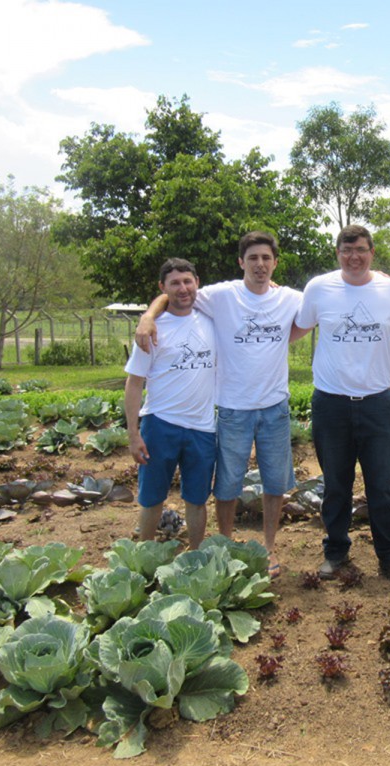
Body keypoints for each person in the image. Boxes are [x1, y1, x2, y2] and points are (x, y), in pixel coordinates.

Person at [136, 232, 307, 577]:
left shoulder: (290, 298)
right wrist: (148, 316)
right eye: (253, 258)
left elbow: (328, 302)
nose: (260, 264)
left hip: (275, 407)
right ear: (241, 262)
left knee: (275, 484)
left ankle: (269, 548)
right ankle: (226, 545)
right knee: (227, 485)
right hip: (232, 408)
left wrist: (374, 276)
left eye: (266, 258)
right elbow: (174, 292)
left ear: (275, 262)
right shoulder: (221, 295)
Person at [294, 224, 390, 580]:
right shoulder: (318, 288)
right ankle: (335, 552)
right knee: (335, 484)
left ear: (372, 253)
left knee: (382, 485)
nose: (354, 257)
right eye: (347, 250)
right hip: (331, 403)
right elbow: (297, 327)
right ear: (338, 253)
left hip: (378, 404)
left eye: (361, 250)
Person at [125, 258, 216, 550]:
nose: (183, 288)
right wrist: (133, 434)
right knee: (152, 498)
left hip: (202, 427)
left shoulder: (212, 320)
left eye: (187, 281)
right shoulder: (152, 330)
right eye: (174, 283)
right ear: (162, 288)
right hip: (160, 424)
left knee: (197, 499)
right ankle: (145, 556)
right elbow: (134, 382)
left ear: (197, 283)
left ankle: (196, 555)